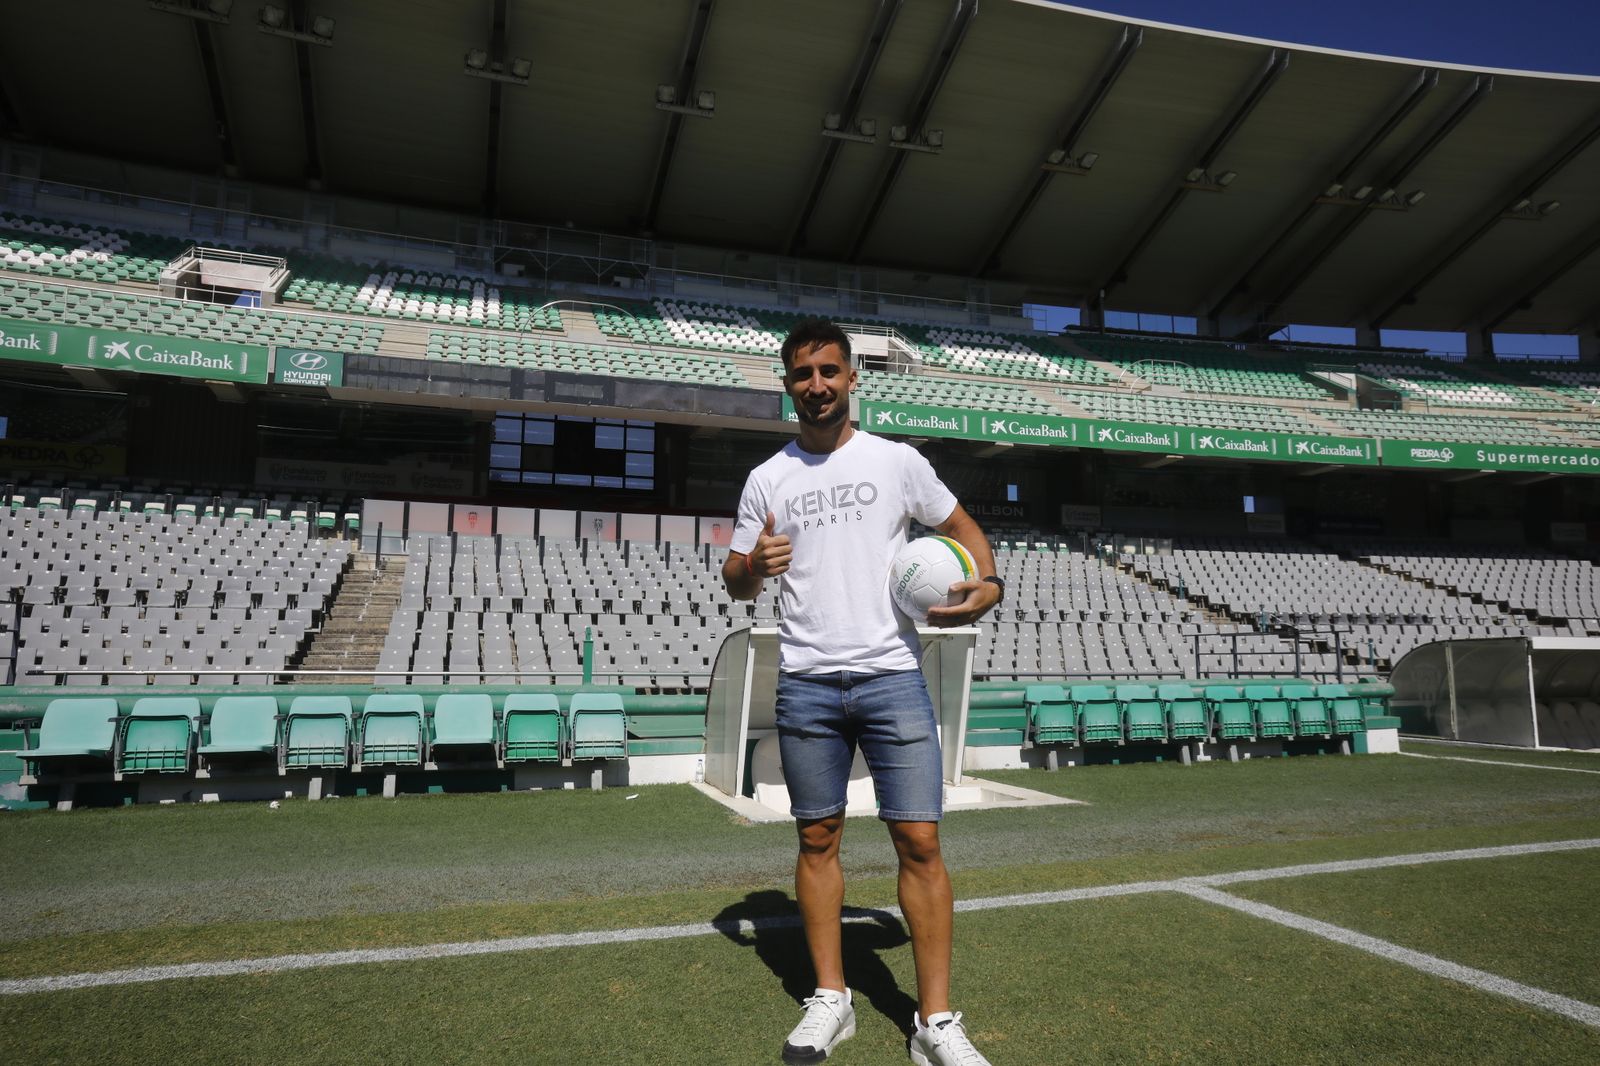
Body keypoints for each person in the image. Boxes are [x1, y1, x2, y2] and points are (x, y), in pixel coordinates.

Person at [722, 319, 1003, 1066]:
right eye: (802, 374)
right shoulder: (767, 479)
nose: (816, 384)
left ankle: (935, 1022)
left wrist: (990, 583)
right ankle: (832, 999)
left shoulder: (897, 461)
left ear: (852, 379)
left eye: (829, 371)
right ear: (787, 386)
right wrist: (755, 563)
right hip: (808, 682)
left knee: (920, 841)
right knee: (817, 839)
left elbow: (965, 529)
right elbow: (733, 578)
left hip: (891, 677)